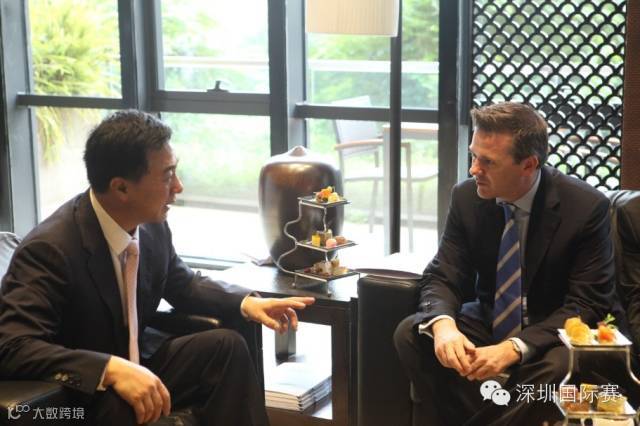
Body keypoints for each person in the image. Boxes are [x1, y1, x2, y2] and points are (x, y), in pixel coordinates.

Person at [0, 110, 315, 426]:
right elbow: (12, 346)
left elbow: (182, 283)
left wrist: (246, 302)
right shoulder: (50, 249)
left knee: (225, 347)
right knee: (119, 408)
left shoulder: (151, 226)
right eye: (167, 176)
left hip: (138, 366)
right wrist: (108, 369)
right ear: (121, 188)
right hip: (81, 397)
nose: (178, 186)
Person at [394, 102, 627, 425]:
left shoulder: (585, 207)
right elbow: (444, 274)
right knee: (412, 333)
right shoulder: (466, 198)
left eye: (487, 162)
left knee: (560, 367)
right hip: (491, 321)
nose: (474, 169)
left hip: (552, 335)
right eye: (474, 156)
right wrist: (444, 326)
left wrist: (515, 348)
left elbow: (588, 302)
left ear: (528, 165)